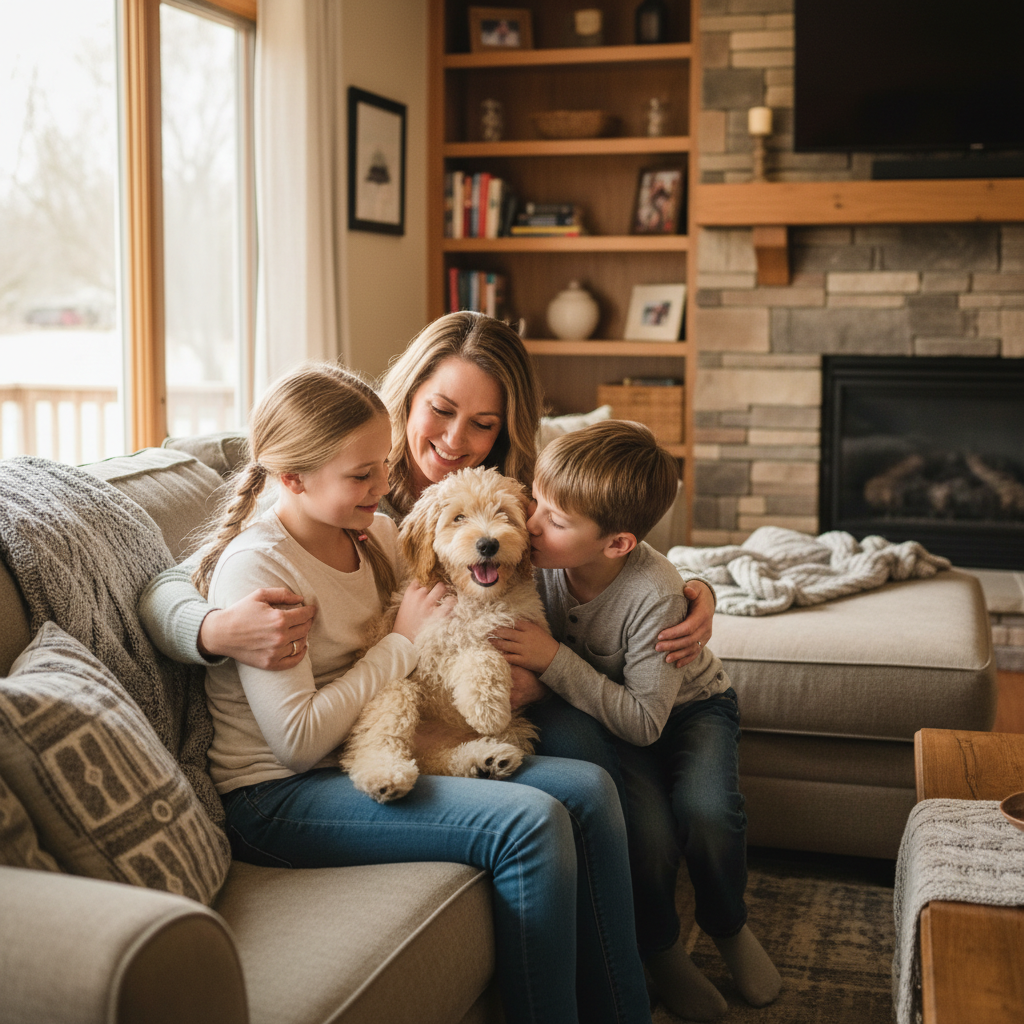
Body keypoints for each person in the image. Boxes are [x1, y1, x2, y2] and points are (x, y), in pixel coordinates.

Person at [187, 360, 654, 1024]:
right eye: (362, 475)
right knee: (532, 823)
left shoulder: (373, 530)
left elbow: (480, 577)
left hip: (365, 753)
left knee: (589, 788)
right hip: (278, 796)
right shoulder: (260, 567)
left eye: (382, 464)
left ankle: (620, 1009)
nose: (385, 484)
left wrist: (675, 587)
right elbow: (295, 744)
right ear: (291, 479)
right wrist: (397, 645)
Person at [140, 311, 713, 682]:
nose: (454, 441)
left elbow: (613, 544)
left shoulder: (520, 498)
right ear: (408, 396)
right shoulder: (341, 492)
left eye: (483, 424)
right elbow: (172, 584)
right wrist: (213, 632)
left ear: (505, 431)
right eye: (441, 411)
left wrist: (691, 589)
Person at [490, 420, 783, 1021]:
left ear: (618, 543)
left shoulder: (653, 590)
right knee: (644, 834)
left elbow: (646, 722)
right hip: (613, 717)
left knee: (709, 812)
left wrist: (553, 662)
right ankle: (664, 952)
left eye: (557, 519)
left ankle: (728, 923)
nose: (533, 523)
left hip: (688, 710)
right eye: (536, 502)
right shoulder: (534, 558)